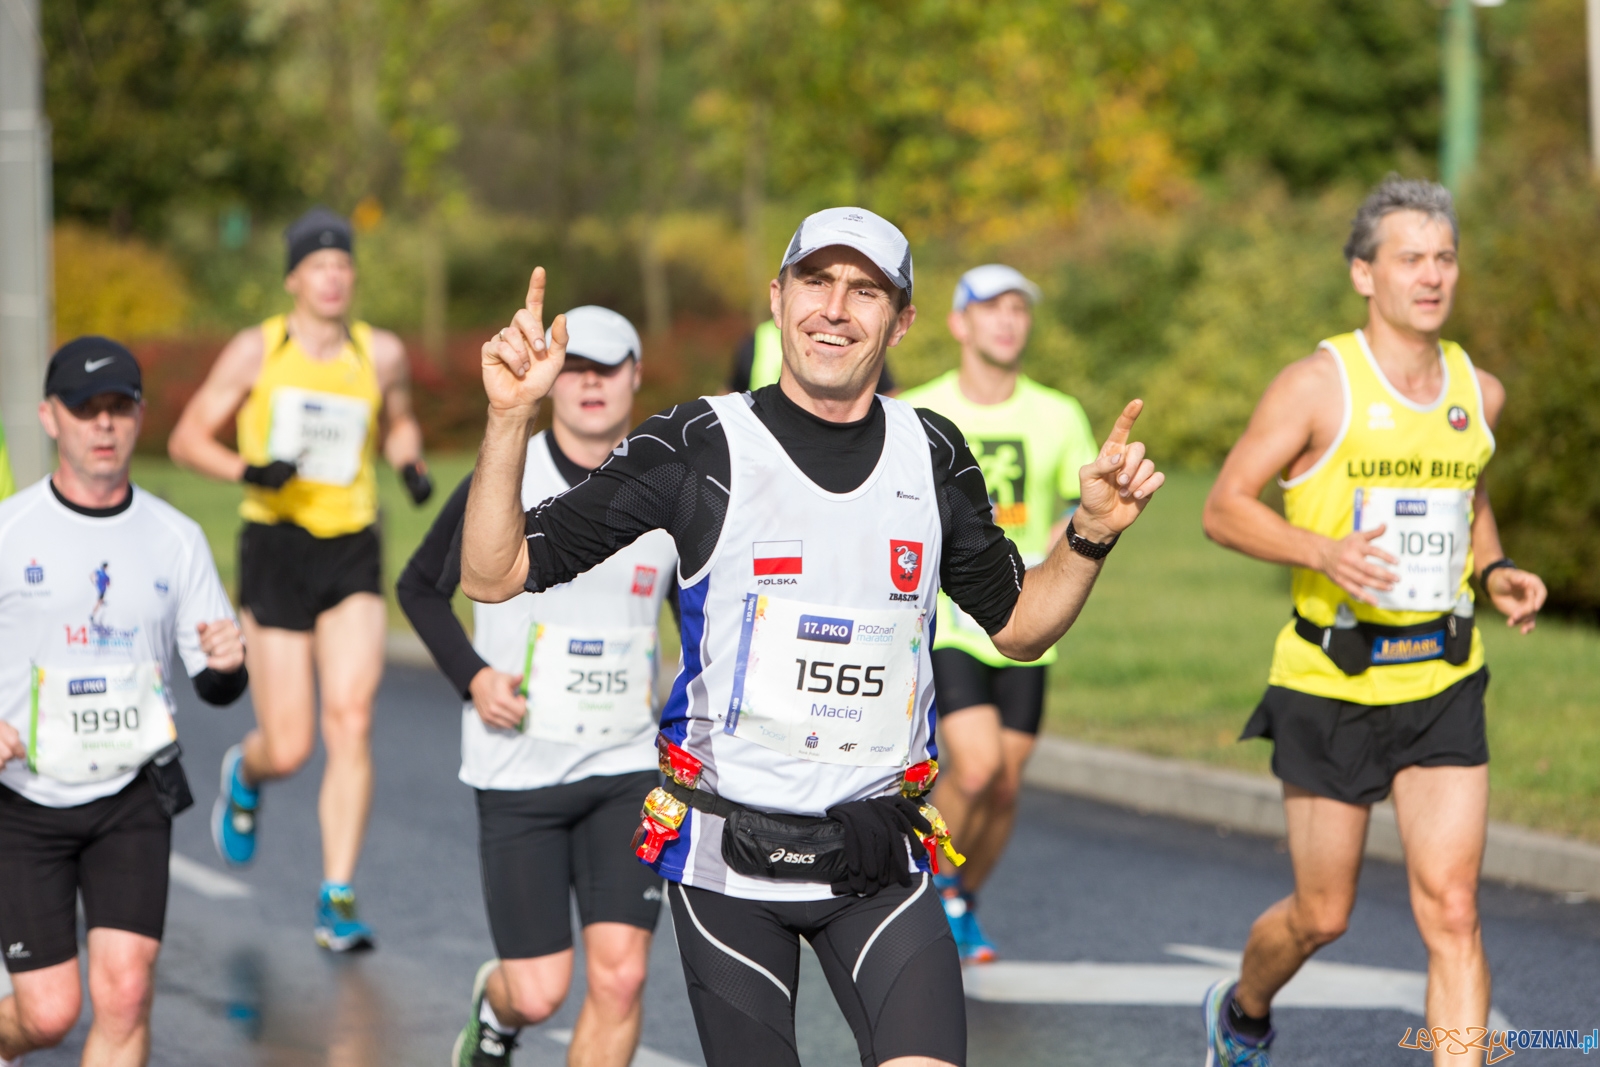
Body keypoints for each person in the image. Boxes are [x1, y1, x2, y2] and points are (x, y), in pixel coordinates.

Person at [460, 206, 1164, 1067]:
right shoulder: (699, 445)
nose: (836, 308)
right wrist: (508, 421)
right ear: (777, 297)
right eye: (816, 281)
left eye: (865, 290)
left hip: (879, 853)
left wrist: (1090, 535)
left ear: (900, 320)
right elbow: (495, 573)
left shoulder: (932, 452)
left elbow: (1018, 626)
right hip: (730, 862)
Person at [1200, 177, 1547, 1067]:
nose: (1431, 276)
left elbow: (1466, 501)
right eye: (1409, 259)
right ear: (1364, 273)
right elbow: (1225, 507)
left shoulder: (1481, 390)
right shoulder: (1318, 385)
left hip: (1442, 675)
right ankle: (1241, 1009)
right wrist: (1322, 553)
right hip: (1332, 680)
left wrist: (1496, 569)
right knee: (1324, 912)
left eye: (1444, 258)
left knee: (1454, 908)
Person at [397, 307, 676, 1067]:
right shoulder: (504, 476)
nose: (591, 382)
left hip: (624, 763)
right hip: (519, 764)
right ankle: (496, 1012)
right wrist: (474, 677)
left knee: (620, 977)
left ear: (635, 376)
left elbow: (704, 618)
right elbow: (420, 587)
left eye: (608, 366)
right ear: (551, 377)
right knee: (541, 989)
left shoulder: (665, 491)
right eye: (575, 366)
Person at [167, 206, 434, 952]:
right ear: (293, 278)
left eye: (343, 264)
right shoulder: (258, 348)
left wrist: (408, 462)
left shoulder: (378, 352)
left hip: (351, 541)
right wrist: (251, 468)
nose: (333, 276)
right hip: (276, 545)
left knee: (350, 717)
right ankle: (246, 773)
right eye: (318, 265)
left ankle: (337, 894)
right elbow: (187, 436)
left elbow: (400, 419)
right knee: (289, 744)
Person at [0, 337, 247, 1067]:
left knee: (127, 989)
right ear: (50, 417)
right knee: (49, 1013)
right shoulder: (10, 531)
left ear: (138, 416)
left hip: (131, 790)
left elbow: (216, 681)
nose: (102, 425)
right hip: (24, 797)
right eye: (85, 409)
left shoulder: (177, 538)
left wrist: (230, 665)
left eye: (118, 407)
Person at [897, 265, 1099, 963]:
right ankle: (931, 887)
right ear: (958, 323)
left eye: (1018, 308)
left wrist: (1063, 546)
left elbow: (1080, 502)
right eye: (991, 308)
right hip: (947, 617)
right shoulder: (916, 407)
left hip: (1027, 620)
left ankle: (962, 900)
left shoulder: (1058, 412)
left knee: (1007, 784)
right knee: (976, 768)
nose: (1007, 320)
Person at [729, 319, 897, 394]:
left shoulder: (856, 345)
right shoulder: (755, 342)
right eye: (814, 284)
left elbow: (888, 395)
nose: (832, 313)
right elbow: (731, 393)